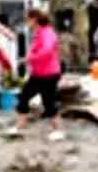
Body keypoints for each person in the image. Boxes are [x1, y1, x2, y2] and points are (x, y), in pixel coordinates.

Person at [10, 8, 64, 141]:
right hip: (38, 73)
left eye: (28, 19)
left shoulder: (47, 33)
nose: (27, 22)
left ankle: (57, 129)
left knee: (48, 101)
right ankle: (20, 125)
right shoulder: (39, 33)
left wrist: (29, 58)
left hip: (48, 73)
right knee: (24, 95)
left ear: (34, 19)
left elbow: (46, 51)